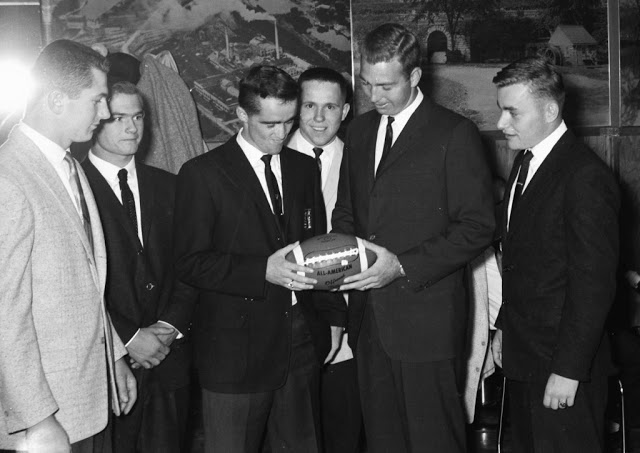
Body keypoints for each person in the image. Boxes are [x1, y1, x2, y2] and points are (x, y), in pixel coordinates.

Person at [331, 23, 495, 452]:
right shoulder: (361, 131)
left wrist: (400, 266)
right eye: (367, 84)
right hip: (369, 322)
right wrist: (336, 264)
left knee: (433, 441)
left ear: (415, 76)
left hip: (427, 322)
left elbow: (477, 226)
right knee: (384, 440)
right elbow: (347, 212)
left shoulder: (454, 133)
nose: (374, 96)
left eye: (386, 85)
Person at [173, 65, 346, 453]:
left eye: (289, 121)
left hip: (301, 339)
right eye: (269, 124)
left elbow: (318, 242)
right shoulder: (202, 174)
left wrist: (333, 316)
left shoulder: (303, 169)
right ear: (241, 115)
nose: (282, 134)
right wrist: (261, 270)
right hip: (235, 353)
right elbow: (188, 261)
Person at [0, 39, 136, 452]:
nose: (106, 113)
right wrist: (38, 421)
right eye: (96, 100)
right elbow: (5, 314)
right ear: (57, 100)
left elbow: (85, 284)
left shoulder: (69, 165)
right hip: (48, 419)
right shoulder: (9, 178)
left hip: (88, 400)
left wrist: (113, 356)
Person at [491, 57, 620, 452]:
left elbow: (593, 285)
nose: (501, 123)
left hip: (563, 369)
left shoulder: (584, 176)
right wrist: (501, 327)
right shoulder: (525, 162)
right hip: (525, 356)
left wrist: (568, 370)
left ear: (550, 110)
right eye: (501, 110)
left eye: (512, 112)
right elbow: (521, 262)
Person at [82, 81, 197, 452]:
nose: (132, 128)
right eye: (118, 118)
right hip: (106, 366)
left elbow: (191, 264)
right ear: (96, 118)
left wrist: (169, 326)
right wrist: (128, 337)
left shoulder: (171, 186)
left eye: (138, 116)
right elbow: (79, 284)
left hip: (170, 361)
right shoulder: (74, 186)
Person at [285, 67, 362, 453]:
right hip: (290, 327)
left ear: (345, 111)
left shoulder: (362, 162)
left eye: (329, 107)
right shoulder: (273, 160)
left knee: (342, 430)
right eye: (309, 105)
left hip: (348, 323)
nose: (318, 117)